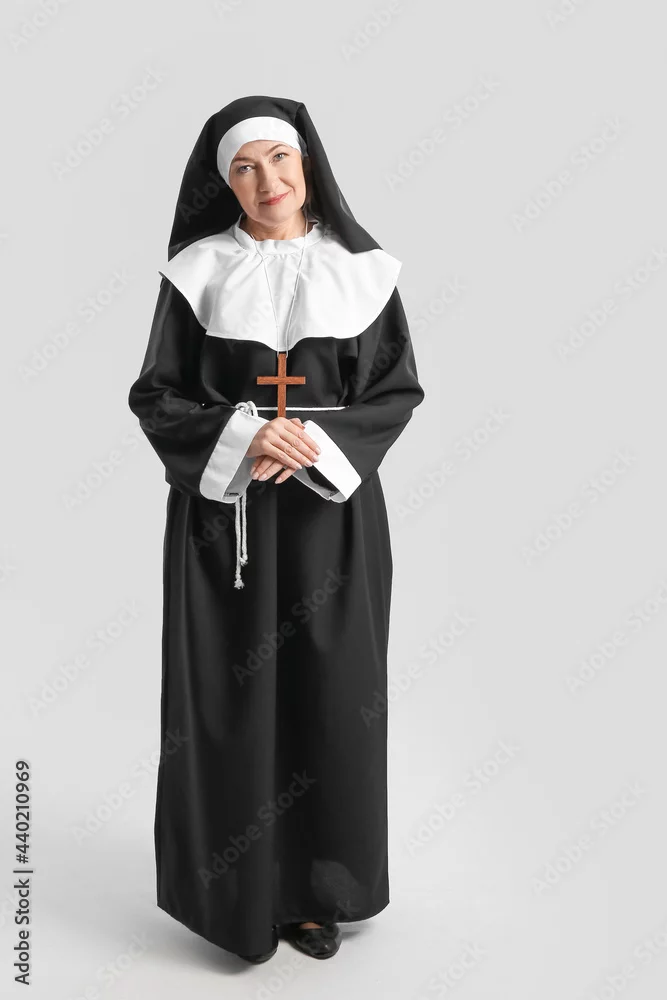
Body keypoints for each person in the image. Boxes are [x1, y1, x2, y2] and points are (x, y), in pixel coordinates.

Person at [127, 94, 425, 964]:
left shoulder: (362, 272)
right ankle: (235, 893)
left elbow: (395, 392)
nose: (266, 181)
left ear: (307, 165)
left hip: (331, 515)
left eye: (279, 160)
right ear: (226, 183)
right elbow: (156, 395)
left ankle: (315, 894)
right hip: (225, 520)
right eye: (244, 168)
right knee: (229, 696)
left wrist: (315, 447)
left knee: (332, 695)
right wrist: (245, 435)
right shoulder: (197, 273)